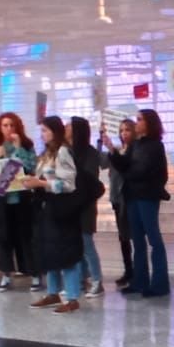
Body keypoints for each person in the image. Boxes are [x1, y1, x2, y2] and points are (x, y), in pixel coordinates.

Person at [105, 108, 170, 297]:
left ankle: (160, 284)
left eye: (140, 119)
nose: (137, 122)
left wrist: (127, 173)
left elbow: (141, 171)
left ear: (149, 123)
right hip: (132, 196)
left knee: (154, 239)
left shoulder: (155, 146)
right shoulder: (136, 145)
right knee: (138, 241)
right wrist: (112, 150)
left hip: (147, 197)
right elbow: (125, 164)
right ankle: (139, 281)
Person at [25, 115, 82, 312]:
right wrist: (31, 181)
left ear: (55, 131)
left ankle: (72, 297)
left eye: (45, 130)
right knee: (48, 249)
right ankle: (53, 292)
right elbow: (42, 177)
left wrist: (42, 183)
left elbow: (68, 184)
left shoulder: (63, 152)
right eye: (41, 131)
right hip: (46, 206)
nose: (42, 135)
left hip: (62, 207)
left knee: (66, 251)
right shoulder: (46, 154)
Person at [0, 113, 37, 290]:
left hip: (22, 197)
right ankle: (6, 274)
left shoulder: (27, 145)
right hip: (1, 197)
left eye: (12, 125)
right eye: (5, 125)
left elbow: (31, 167)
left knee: (26, 236)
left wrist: (19, 149)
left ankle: (33, 273)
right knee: (4, 238)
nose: (9, 129)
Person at [69, 116, 106, 297]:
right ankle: (82, 279)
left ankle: (97, 280)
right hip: (72, 204)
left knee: (86, 243)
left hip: (86, 204)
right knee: (76, 243)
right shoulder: (67, 151)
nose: (66, 128)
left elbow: (89, 179)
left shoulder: (90, 153)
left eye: (69, 126)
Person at [102, 118, 136, 289]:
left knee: (131, 235)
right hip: (117, 197)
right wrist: (103, 141)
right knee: (123, 237)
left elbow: (125, 167)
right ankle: (128, 270)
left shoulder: (133, 151)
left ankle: (136, 271)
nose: (124, 133)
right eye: (122, 130)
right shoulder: (118, 149)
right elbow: (104, 163)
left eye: (127, 130)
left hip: (128, 198)